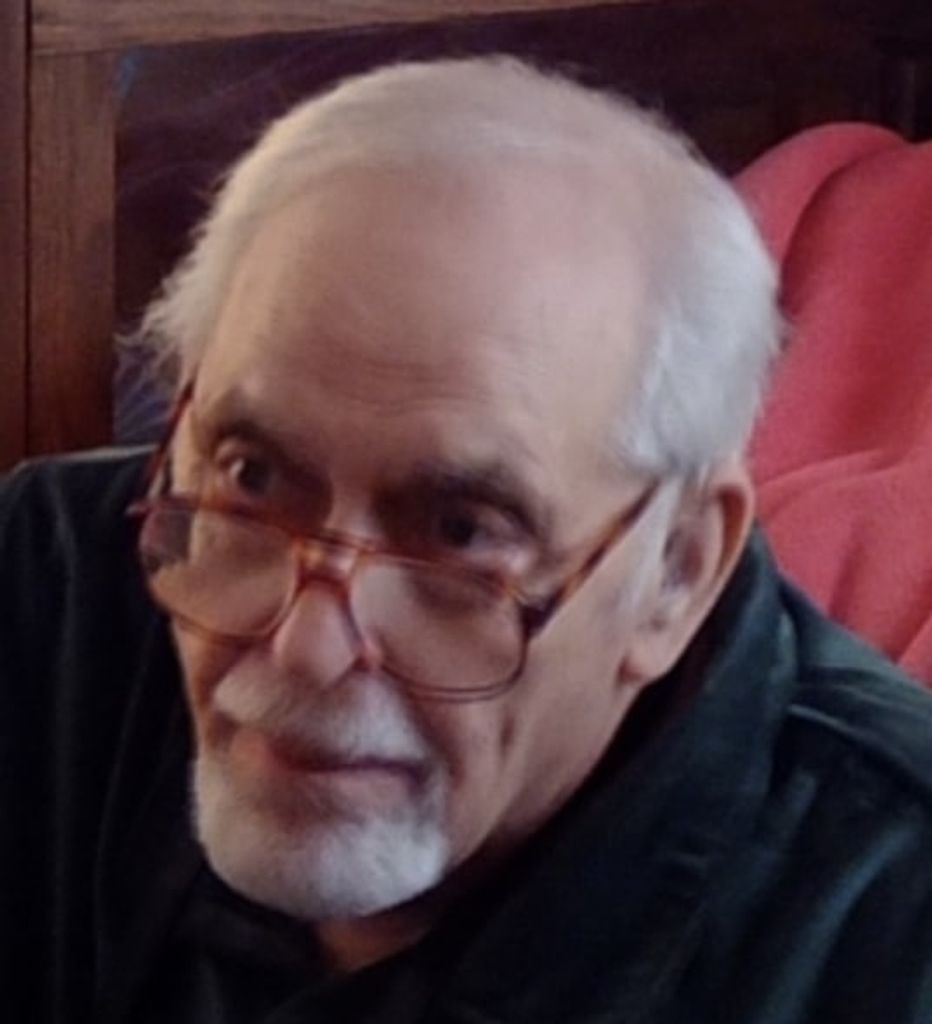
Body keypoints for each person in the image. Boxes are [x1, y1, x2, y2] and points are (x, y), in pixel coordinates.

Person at [2, 57, 931, 1024]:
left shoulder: (891, 938)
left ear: (676, 569)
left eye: (459, 533)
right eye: (253, 476)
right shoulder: (48, 590)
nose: (307, 646)